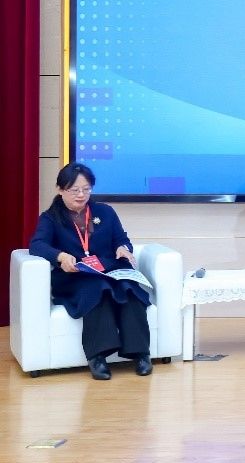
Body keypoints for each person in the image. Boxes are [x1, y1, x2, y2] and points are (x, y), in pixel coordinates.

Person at [28, 163, 153, 380]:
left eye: (86, 189)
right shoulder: (50, 217)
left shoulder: (105, 211)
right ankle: (98, 356)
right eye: (74, 190)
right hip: (75, 276)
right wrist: (60, 256)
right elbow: (37, 245)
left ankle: (141, 353)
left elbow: (122, 239)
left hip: (108, 270)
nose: (81, 195)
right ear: (60, 189)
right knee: (97, 289)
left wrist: (123, 248)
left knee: (129, 288)